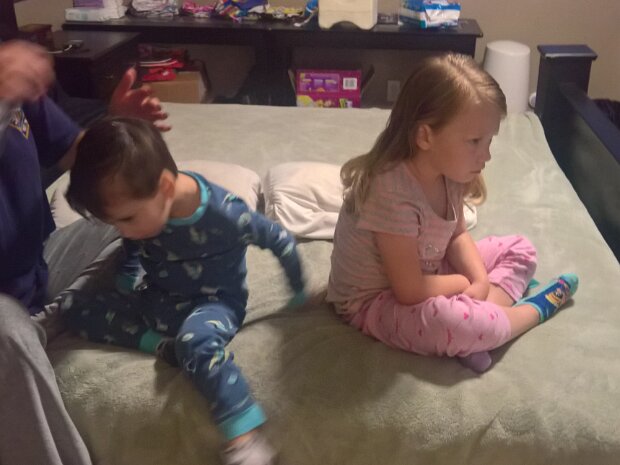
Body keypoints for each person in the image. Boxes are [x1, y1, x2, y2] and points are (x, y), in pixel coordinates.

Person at [60, 116, 306, 465]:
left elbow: (280, 240)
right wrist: (127, 275)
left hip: (214, 304)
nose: (123, 231)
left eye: (127, 219)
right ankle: (161, 346)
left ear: (165, 186)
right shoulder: (144, 214)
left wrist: (297, 290)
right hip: (155, 297)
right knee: (71, 306)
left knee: (197, 343)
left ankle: (245, 436)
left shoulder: (227, 214)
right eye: (115, 223)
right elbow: (131, 246)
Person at [326, 53, 579, 374]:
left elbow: (456, 235)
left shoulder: (450, 172)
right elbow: (409, 290)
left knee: (521, 249)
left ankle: (477, 328)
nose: (486, 155)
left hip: (427, 269)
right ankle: (535, 309)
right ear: (425, 136)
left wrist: (480, 279)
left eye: (489, 141)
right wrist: (463, 282)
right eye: (474, 141)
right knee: (457, 323)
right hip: (377, 300)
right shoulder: (390, 190)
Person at [0, 39, 169, 465]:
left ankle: (50, 324)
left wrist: (115, 127)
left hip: (36, 270)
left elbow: (73, 151)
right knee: (6, 328)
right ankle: (33, 337)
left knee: (134, 217)